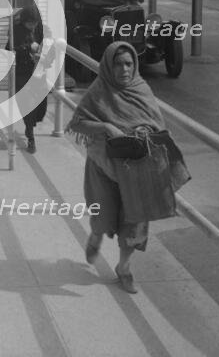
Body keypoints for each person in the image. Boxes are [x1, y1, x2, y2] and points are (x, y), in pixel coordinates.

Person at [66, 41, 167, 294]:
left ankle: (124, 267)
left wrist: (145, 130)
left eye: (128, 63)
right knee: (102, 215)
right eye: (118, 64)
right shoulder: (99, 90)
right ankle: (96, 235)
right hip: (104, 165)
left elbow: (157, 124)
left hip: (137, 170)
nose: (124, 69)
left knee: (134, 223)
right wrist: (105, 127)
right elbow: (77, 123)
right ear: (109, 66)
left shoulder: (141, 89)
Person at [9, 6, 48, 154]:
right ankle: (31, 136)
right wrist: (28, 48)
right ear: (24, 21)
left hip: (38, 71)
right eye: (30, 23)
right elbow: (9, 49)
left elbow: (48, 46)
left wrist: (42, 53)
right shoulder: (16, 31)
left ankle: (31, 125)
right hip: (22, 72)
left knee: (41, 105)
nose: (33, 26)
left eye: (35, 23)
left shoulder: (39, 30)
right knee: (28, 104)